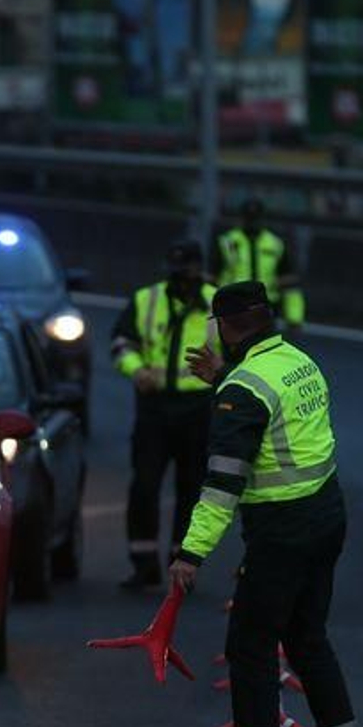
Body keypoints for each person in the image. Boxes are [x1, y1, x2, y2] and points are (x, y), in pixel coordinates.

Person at [171, 281, 363, 727]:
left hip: (282, 532)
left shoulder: (241, 390)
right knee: (308, 639)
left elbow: (221, 486)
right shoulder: (295, 361)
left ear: (224, 327)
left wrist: (191, 553)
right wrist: (225, 383)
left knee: (251, 646)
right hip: (326, 515)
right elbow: (269, 415)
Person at [109, 238, 220, 590]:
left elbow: (240, 353)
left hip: (198, 409)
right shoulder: (147, 299)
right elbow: (121, 343)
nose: (181, 281)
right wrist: (135, 369)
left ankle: (181, 564)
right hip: (154, 408)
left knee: (190, 490)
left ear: (200, 271)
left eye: (187, 273)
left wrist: (221, 377)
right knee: (144, 485)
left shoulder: (219, 305)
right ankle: (143, 563)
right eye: (176, 273)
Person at [211, 199, 306, 332]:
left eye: (255, 218)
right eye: (249, 218)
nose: (252, 222)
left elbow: (288, 284)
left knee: (262, 350)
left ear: (262, 218)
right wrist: (210, 312)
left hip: (265, 310)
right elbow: (211, 280)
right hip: (231, 308)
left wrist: (294, 317)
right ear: (242, 218)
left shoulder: (275, 244)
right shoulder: (227, 242)